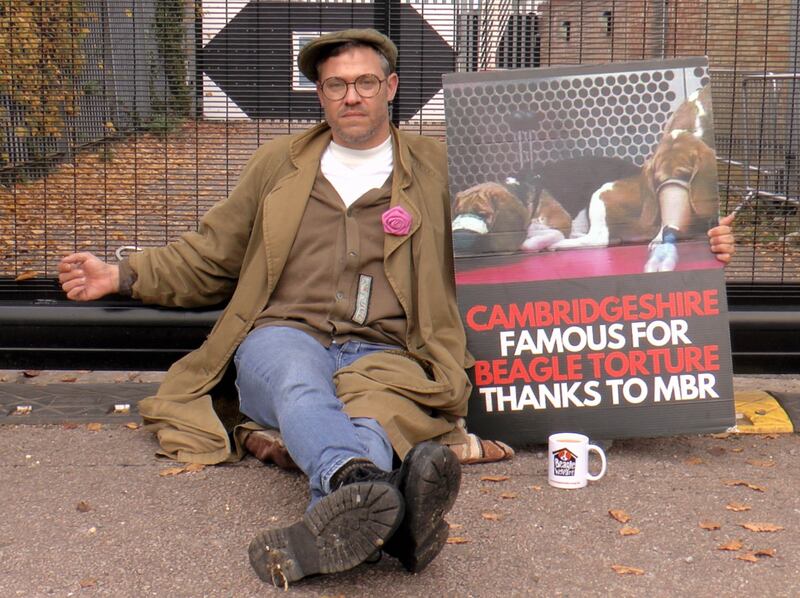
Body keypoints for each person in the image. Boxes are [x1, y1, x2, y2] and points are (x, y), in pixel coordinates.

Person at [58, 29, 736, 586]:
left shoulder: (439, 169)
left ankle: (358, 513)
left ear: (389, 88)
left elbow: (533, 231)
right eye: (334, 85)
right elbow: (213, 255)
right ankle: (377, 494)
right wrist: (122, 274)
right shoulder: (278, 165)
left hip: (389, 350)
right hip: (282, 334)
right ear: (319, 95)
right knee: (298, 382)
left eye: (363, 83)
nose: (350, 96)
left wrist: (694, 242)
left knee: (376, 407)